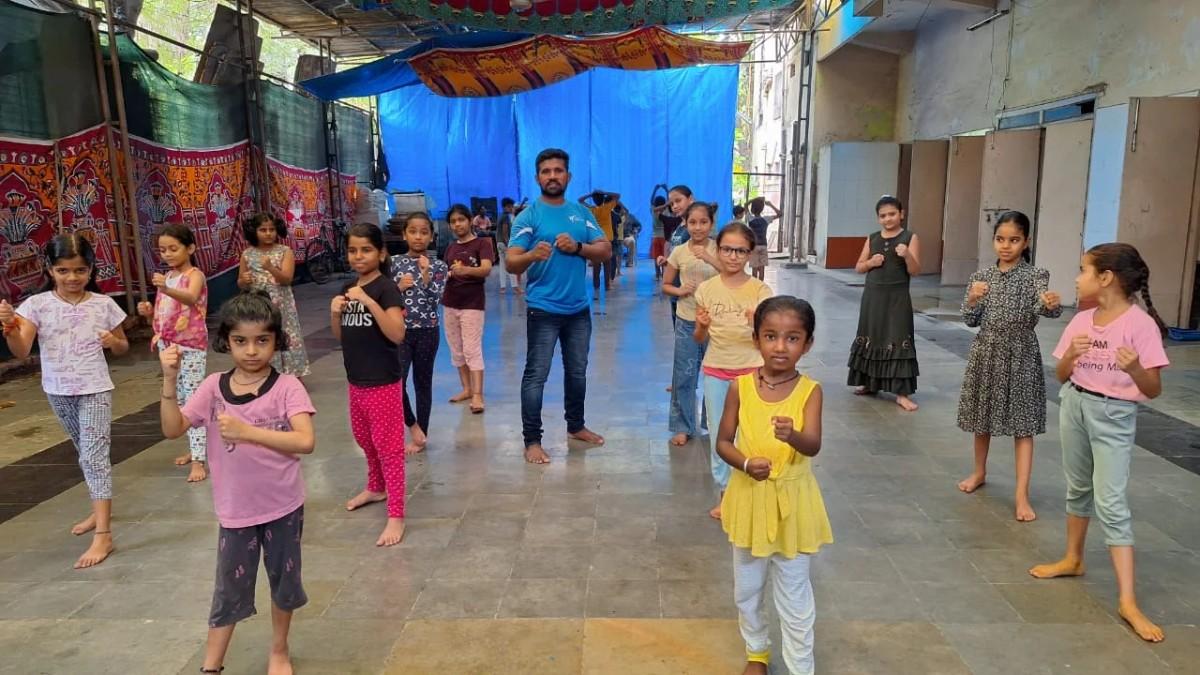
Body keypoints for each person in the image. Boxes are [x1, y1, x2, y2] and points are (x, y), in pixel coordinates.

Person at [158, 291, 316, 675]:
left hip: (282, 505)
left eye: (262, 340)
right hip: (235, 511)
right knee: (229, 587)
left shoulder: (287, 386)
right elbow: (173, 428)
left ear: (276, 341)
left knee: (284, 582)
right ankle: (212, 665)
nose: (251, 351)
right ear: (226, 341)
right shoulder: (214, 387)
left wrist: (247, 432)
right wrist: (169, 380)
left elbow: (305, 440)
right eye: (240, 341)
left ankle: (279, 650)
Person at [1030, 243, 1170, 644]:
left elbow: (1153, 389)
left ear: (1105, 278)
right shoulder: (1082, 320)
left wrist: (1135, 368)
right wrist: (1071, 357)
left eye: (1083, 271)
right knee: (1077, 487)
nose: (1077, 279)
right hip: (1075, 404)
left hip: (1114, 415)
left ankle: (1128, 601)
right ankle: (1073, 558)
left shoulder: (1140, 326)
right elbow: (1060, 375)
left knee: (1110, 502)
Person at [715, 296, 831, 675]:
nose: (780, 347)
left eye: (792, 338)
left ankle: (800, 668)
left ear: (807, 344)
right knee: (747, 590)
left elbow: (812, 445)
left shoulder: (810, 391)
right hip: (750, 500)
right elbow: (723, 442)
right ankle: (757, 652)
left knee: (795, 595)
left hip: (793, 506)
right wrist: (747, 464)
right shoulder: (740, 388)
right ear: (756, 339)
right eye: (770, 336)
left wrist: (792, 435)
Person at [1, 234, 128, 569]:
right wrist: (10, 327)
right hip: (57, 390)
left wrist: (113, 341)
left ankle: (104, 534)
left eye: (80, 270)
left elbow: (123, 347)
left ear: (91, 269)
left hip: (95, 387)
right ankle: (98, 509)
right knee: (83, 452)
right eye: (63, 270)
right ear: (50, 269)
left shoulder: (103, 304)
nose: (72, 277)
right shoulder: (36, 306)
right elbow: (21, 350)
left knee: (94, 456)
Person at [956, 211, 1062, 522]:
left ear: (1026, 242)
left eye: (1014, 240)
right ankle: (979, 471)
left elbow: (1045, 307)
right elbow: (969, 320)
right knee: (982, 418)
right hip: (987, 350)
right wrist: (972, 300)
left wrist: (1051, 304)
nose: (1006, 246)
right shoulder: (981, 277)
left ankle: (1021, 494)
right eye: (1000, 239)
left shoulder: (1036, 275)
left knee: (1023, 424)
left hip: (1022, 353)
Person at [506, 148, 610, 464]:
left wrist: (578, 247)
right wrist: (531, 256)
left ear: (568, 176)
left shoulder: (581, 213)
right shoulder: (529, 216)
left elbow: (605, 250)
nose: (552, 176)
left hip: (578, 309)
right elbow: (511, 262)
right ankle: (532, 441)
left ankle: (575, 425)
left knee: (577, 372)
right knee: (536, 375)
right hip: (543, 310)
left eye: (558, 170)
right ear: (538, 177)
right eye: (546, 171)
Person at [333, 223, 409, 547]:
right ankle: (376, 488)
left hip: (382, 381)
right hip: (356, 380)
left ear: (381, 253)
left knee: (389, 449)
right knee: (364, 439)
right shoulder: (348, 287)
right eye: (353, 250)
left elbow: (397, 334)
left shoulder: (386, 289)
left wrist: (368, 301)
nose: (359, 256)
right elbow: (342, 336)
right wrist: (334, 313)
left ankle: (396, 514)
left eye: (366, 249)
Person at [695, 222, 773, 518]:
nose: (733, 256)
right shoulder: (706, 289)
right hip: (716, 370)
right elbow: (699, 338)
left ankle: (753, 493)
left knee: (752, 434)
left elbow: (770, 340)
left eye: (740, 251)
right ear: (718, 251)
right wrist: (701, 326)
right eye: (727, 249)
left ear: (750, 254)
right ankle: (726, 494)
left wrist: (757, 325)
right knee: (720, 435)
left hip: (752, 373)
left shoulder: (761, 291)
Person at [137, 224, 209, 483]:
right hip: (167, 346)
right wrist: (149, 314)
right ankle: (195, 448)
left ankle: (199, 458)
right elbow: (164, 315)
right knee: (178, 400)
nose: (167, 254)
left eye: (173, 249)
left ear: (190, 248)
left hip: (190, 345)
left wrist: (165, 289)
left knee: (193, 399)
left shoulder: (195, 275)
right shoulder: (167, 277)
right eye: (162, 250)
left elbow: (190, 298)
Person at [847, 195, 921, 411]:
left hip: (897, 297)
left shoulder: (910, 237)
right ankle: (869, 383)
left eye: (892, 214)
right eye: (883, 216)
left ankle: (901, 393)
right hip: (873, 296)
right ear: (878, 218)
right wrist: (871, 262)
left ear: (901, 214)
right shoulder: (872, 238)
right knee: (872, 336)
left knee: (898, 338)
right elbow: (859, 267)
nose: (888, 219)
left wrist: (907, 255)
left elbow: (915, 271)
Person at [663, 201, 720, 447]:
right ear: (685, 223)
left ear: (712, 223)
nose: (698, 227)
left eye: (703, 222)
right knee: (684, 374)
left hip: (717, 323)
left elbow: (732, 274)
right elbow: (666, 285)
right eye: (693, 222)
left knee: (715, 375)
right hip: (687, 320)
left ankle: (714, 423)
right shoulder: (678, 252)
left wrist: (709, 257)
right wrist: (679, 290)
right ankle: (682, 426)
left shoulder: (719, 248)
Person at [392, 212, 448, 452]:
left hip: (428, 331)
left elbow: (435, 301)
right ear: (404, 235)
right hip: (399, 332)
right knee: (397, 382)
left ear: (431, 236)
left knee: (423, 383)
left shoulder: (439, 266)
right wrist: (398, 287)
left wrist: (425, 276)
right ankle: (412, 424)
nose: (418, 237)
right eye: (413, 232)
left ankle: (422, 434)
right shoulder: (393, 263)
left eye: (424, 232)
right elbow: (383, 297)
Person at [238, 214, 310, 377]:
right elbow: (240, 282)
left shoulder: (285, 251)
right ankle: (267, 373)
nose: (268, 233)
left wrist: (270, 267)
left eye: (272, 229)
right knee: (263, 335)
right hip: (259, 306)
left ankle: (293, 374)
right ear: (254, 232)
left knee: (286, 335)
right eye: (263, 230)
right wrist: (244, 280)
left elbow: (287, 279)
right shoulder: (247, 254)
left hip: (282, 305)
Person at [442, 203, 493, 414]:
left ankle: (478, 394)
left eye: (461, 220)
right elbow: (445, 272)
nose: (457, 224)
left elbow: (486, 269)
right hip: (450, 303)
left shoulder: (482, 244)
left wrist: (465, 270)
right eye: (453, 221)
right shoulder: (450, 248)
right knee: (456, 348)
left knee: (472, 348)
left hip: (472, 304)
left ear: (470, 220)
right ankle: (466, 389)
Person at [580, 189, 621, 293]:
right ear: (603, 199)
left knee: (596, 265)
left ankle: (596, 285)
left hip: (596, 240)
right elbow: (617, 195)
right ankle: (607, 286)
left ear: (594, 200)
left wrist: (590, 194)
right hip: (607, 240)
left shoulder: (592, 209)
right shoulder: (607, 208)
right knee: (607, 265)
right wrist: (604, 192)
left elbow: (580, 200)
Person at [747, 198, 780, 281]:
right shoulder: (766, 219)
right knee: (762, 269)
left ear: (752, 209)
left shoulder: (750, 219)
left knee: (754, 270)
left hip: (754, 247)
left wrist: (755, 199)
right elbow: (780, 214)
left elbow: (745, 204)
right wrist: (770, 204)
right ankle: (761, 286)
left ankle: (755, 286)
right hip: (763, 246)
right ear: (762, 209)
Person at [496, 197, 523, 294]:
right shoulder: (505, 217)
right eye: (510, 207)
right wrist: (509, 245)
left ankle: (502, 288)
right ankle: (515, 287)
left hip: (499, 243)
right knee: (511, 265)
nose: (512, 208)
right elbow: (505, 232)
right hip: (505, 243)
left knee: (502, 266)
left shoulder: (500, 216)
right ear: (505, 207)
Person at [649, 193, 668, 280]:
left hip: (655, 237)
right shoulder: (666, 210)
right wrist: (666, 190)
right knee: (664, 256)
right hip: (665, 238)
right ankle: (664, 274)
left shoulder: (653, 211)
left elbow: (651, 201)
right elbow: (669, 201)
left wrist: (655, 190)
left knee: (656, 257)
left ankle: (657, 275)